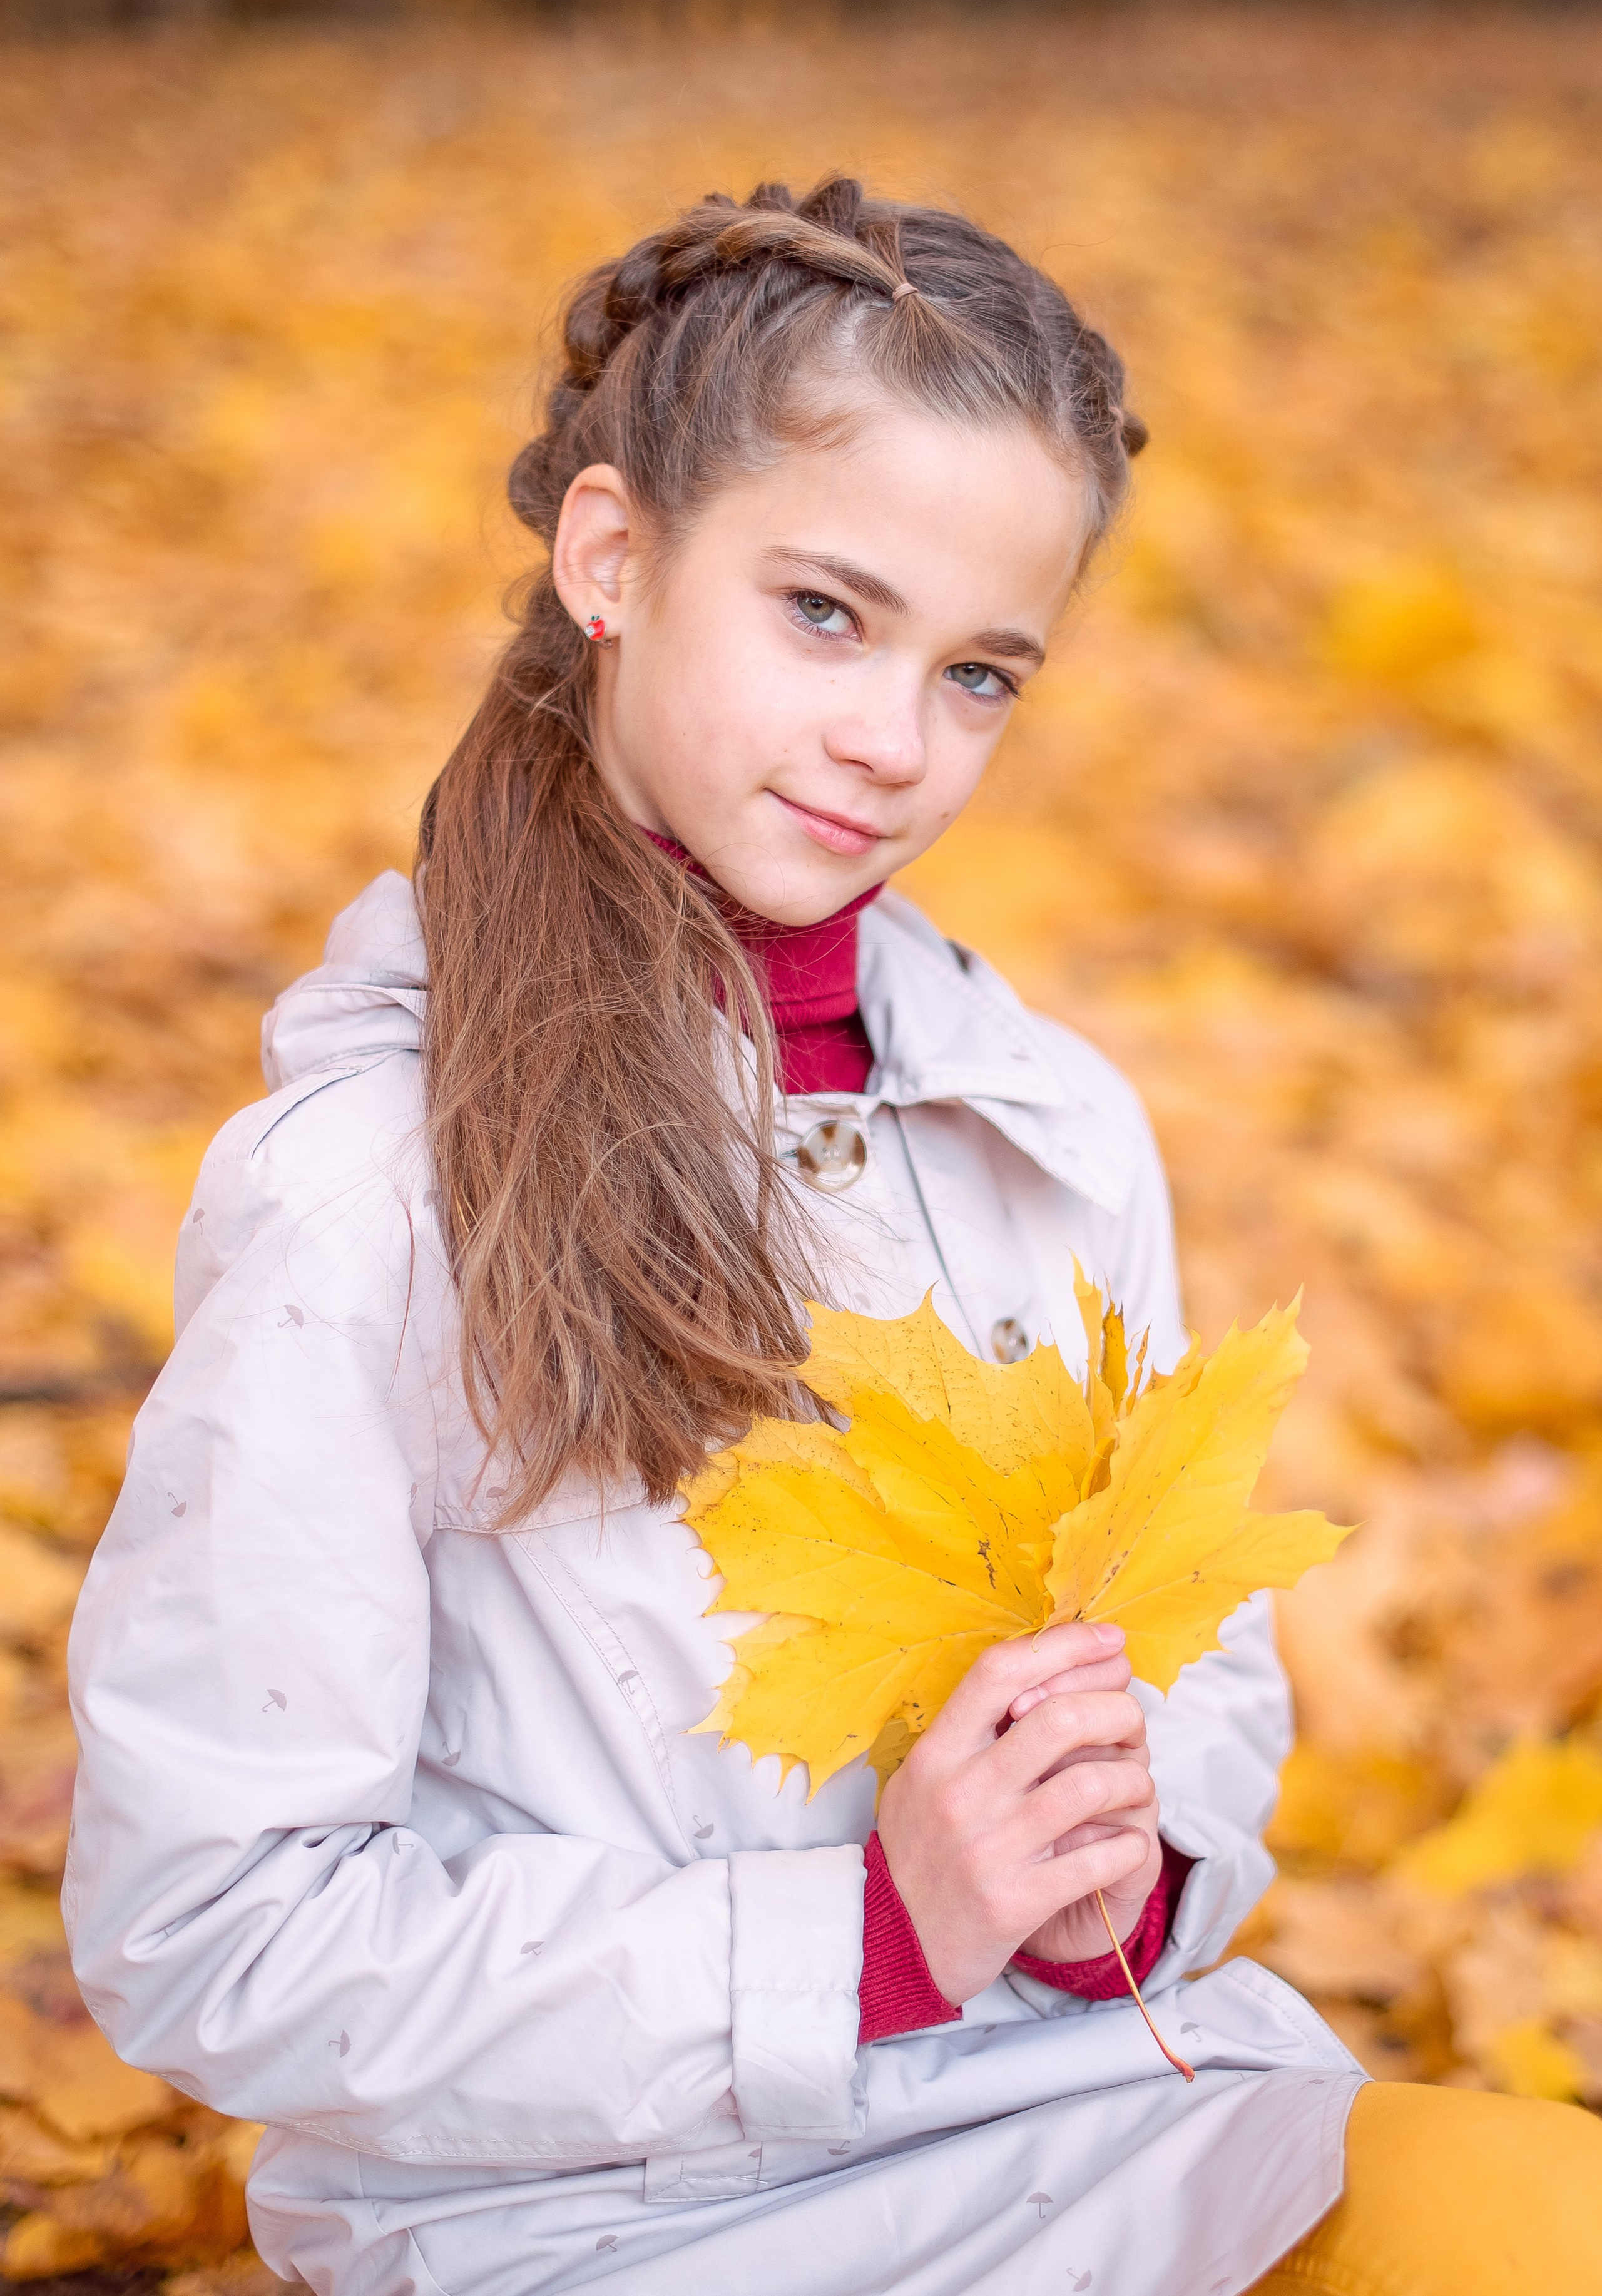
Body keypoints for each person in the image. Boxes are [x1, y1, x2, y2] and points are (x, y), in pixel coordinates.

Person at [65, 178, 1600, 2296]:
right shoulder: (376, 1189)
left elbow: (1205, 1665)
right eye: (825, 615)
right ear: (612, 557)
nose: (899, 740)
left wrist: (1129, 1863)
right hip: (603, 2214)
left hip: (1092, 2108)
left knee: (1543, 2228)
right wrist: (860, 1937)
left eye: (981, 673)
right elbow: (212, 1924)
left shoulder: (1046, 1131)